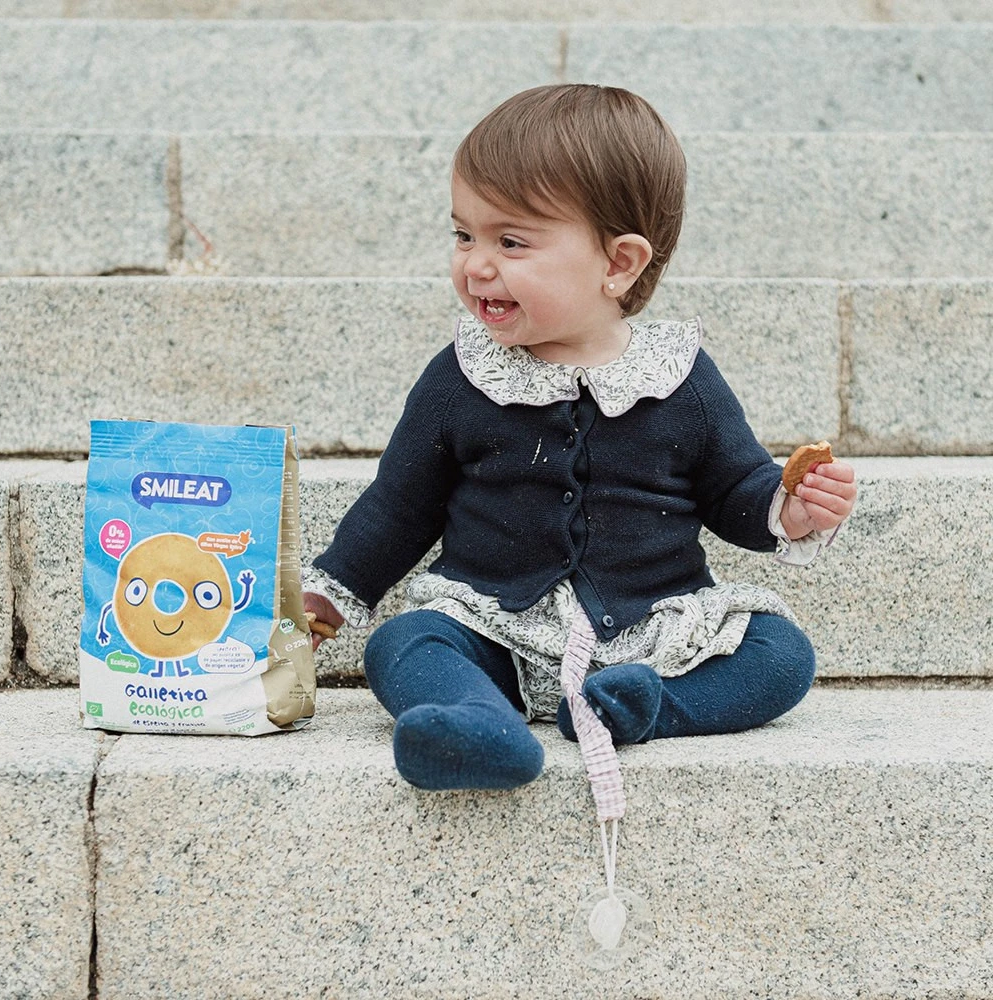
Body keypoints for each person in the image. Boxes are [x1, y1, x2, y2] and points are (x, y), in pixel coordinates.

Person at [303, 83, 857, 793]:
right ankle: (477, 723)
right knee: (404, 642)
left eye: (510, 242)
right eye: (464, 235)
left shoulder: (680, 377)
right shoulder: (461, 376)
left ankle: (645, 706)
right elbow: (399, 506)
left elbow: (734, 487)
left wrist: (789, 509)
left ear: (618, 263)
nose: (476, 264)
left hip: (646, 631)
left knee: (781, 654)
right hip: (495, 624)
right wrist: (333, 591)